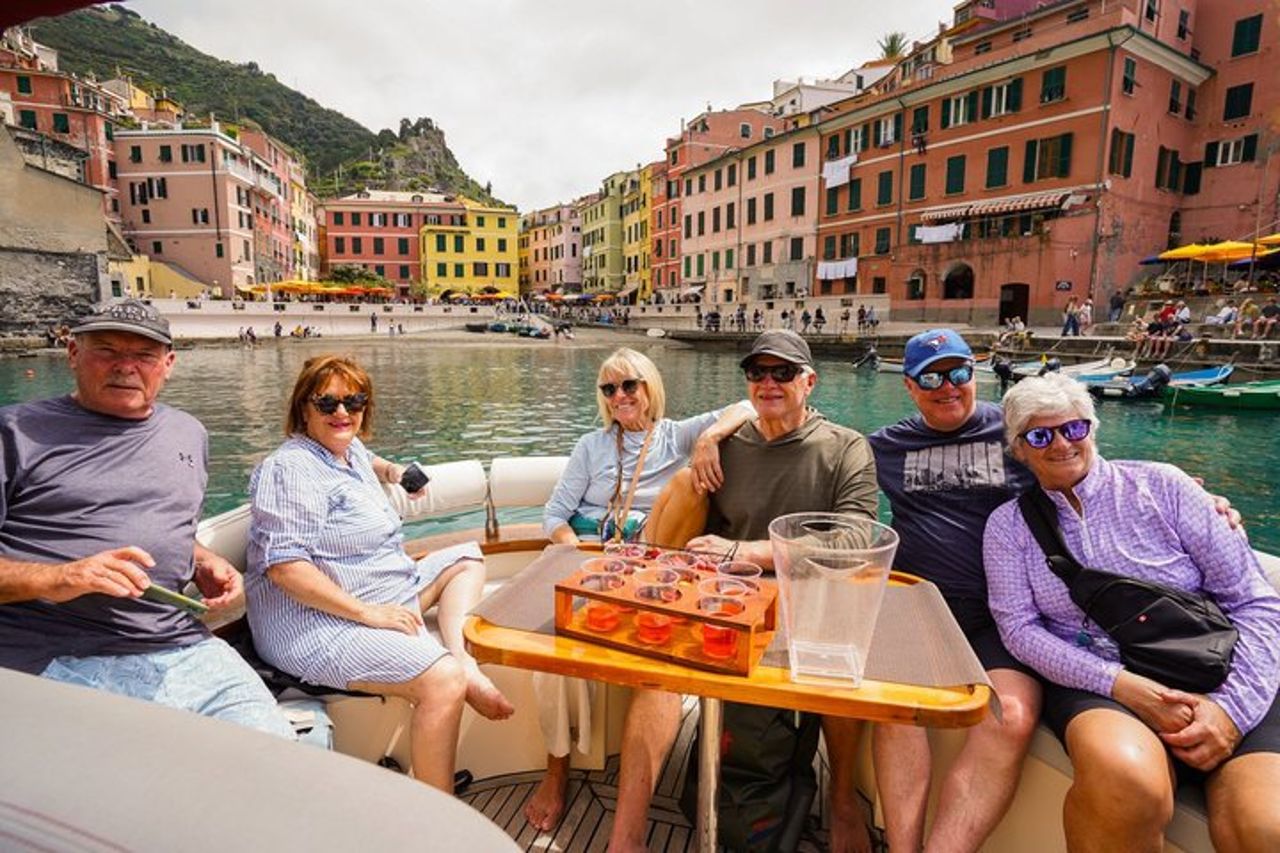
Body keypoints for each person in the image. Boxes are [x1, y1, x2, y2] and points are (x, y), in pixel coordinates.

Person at [984, 373, 1280, 852]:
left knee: (1266, 826)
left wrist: (1231, 710)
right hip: (1103, 682)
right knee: (1125, 781)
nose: (1061, 444)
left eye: (1073, 428)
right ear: (1019, 449)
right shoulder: (1008, 527)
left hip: (1220, 667)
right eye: (1040, 436)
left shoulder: (1165, 487)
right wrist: (1120, 684)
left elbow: (1253, 600)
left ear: (1092, 429)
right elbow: (1019, 628)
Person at [609, 330, 879, 853]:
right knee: (655, 676)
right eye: (758, 372)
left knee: (839, 670)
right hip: (727, 605)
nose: (769, 382)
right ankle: (627, 836)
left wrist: (747, 551)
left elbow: (856, 538)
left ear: (809, 382)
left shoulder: (845, 447)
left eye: (784, 372)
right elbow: (688, 526)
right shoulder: (725, 448)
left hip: (811, 600)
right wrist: (708, 444)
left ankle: (843, 800)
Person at [0, 299, 293, 738]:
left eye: (144, 355)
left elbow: (166, 522)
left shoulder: (188, 433)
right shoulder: (15, 432)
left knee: (277, 758)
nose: (126, 367)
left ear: (167, 365)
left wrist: (202, 559)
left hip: (183, 646)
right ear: (73, 353)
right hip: (53, 653)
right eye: (107, 350)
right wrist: (59, 578)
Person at [245, 355, 514, 791]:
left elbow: (367, 457)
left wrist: (393, 471)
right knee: (442, 680)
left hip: (383, 592)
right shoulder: (290, 469)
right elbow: (286, 569)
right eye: (327, 403)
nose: (342, 412)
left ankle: (465, 663)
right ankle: (437, 809)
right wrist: (367, 613)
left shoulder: (346, 450)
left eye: (354, 401)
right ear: (303, 408)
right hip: (317, 623)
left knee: (466, 558)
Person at [530, 348, 754, 830]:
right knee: (550, 660)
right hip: (592, 558)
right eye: (609, 389)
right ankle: (556, 768)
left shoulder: (676, 436)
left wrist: (710, 437)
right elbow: (554, 514)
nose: (619, 397)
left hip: (650, 560)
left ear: (649, 387)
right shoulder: (591, 446)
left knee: (686, 480)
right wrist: (578, 552)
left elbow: (747, 406)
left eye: (629, 385)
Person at [867, 328, 1042, 853]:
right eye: (931, 378)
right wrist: (714, 437)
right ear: (909, 386)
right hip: (917, 606)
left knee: (1010, 718)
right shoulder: (884, 445)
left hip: (1002, 614)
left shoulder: (1017, 431)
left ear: (975, 372)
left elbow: (1081, 465)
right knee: (897, 709)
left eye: (958, 372)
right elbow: (819, 449)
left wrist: (1182, 491)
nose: (948, 387)